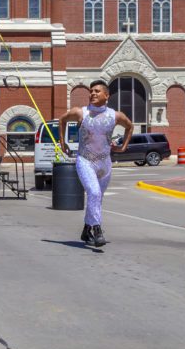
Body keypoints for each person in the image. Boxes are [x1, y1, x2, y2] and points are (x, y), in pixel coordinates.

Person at [56, 81, 133, 247]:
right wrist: (63, 144)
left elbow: (130, 126)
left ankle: (86, 229)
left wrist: (123, 147)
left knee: (96, 198)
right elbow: (61, 120)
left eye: (97, 91)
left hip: (105, 164)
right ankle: (97, 230)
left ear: (107, 95)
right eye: (91, 91)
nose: (92, 93)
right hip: (85, 160)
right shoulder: (80, 112)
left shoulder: (116, 115)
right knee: (94, 192)